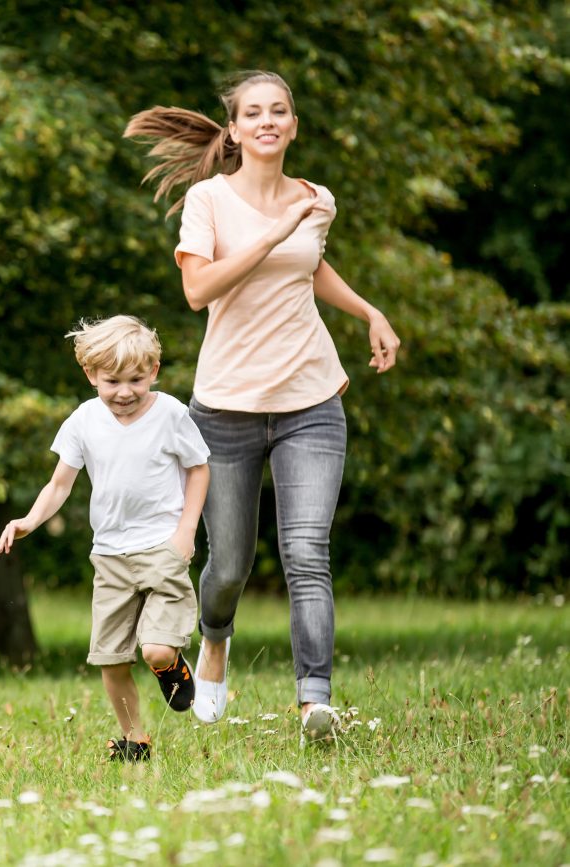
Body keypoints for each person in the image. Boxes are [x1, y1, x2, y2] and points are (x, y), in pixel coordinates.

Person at [125, 70, 401, 741]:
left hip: (311, 398)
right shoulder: (208, 201)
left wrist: (368, 310)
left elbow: (310, 266)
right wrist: (273, 232)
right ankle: (215, 640)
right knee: (227, 568)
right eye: (255, 112)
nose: (269, 120)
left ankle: (314, 701)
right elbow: (198, 289)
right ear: (236, 129)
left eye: (281, 110)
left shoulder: (317, 201)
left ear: (294, 125)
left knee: (307, 550)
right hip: (225, 408)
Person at [0, 316, 210, 762]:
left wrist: (186, 531)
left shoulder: (171, 414)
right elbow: (59, 485)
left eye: (136, 379)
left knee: (154, 649)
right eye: (112, 381)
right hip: (109, 557)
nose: (125, 392)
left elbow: (198, 467)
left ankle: (170, 666)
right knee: (111, 660)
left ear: (154, 370)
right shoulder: (83, 420)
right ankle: (135, 739)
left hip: (162, 548)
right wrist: (29, 521)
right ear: (91, 375)